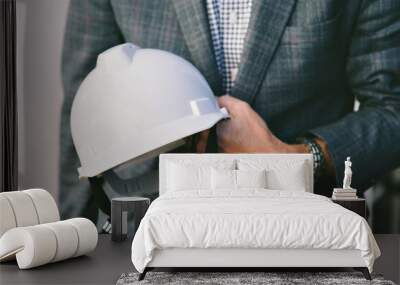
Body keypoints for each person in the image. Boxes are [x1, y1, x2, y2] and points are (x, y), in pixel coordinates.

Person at [60, 0, 400, 221]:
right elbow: (85, 112)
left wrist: (294, 157)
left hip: (302, 228)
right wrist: (73, 239)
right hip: (149, 225)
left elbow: (392, 108)